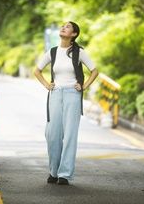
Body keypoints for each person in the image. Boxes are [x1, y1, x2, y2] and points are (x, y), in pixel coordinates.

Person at [34, 21, 99, 185]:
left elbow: (95, 71)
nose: (63, 27)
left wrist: (83, 86)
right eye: (62, 26)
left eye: (68, 27)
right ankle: (53, 172)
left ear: (74, 34)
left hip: (72, 94)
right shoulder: (53, 52)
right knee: (52, 133)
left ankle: (64, 174)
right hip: (55, 94)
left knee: (70, 134)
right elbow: (37, 71)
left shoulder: (79, 52)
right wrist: (47, 85)